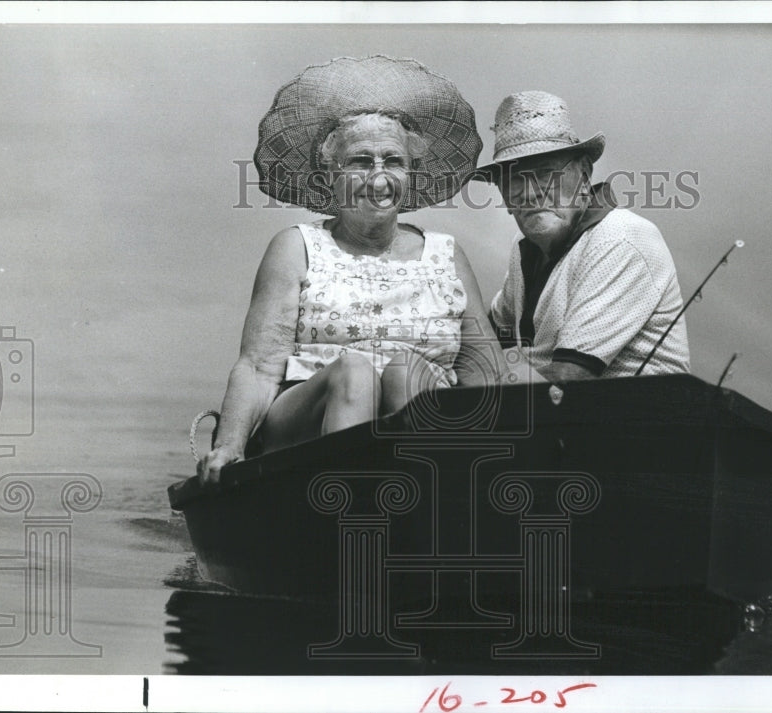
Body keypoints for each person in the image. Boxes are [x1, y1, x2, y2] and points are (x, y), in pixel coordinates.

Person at [199, 56, 505, 485]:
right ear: (329, 176)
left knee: (407, 369)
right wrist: (229, 447)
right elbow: (259, 367)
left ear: (411, 174)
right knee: (355, 373)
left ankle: (423, 496)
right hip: (307, 424)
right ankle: (342, 501)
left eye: (393, 161)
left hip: (420, 426)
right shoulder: (297, 248)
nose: (378, 178)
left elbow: (485, 375)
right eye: (360, 161)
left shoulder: (446, 255)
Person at [476, 91, 691, 384]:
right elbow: (489, 336)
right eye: (513, 179)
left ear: (584, 174)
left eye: (546, 173)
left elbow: (570, 378)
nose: (530, 192)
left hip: (637, 413)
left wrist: (479, 382)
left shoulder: (620, 238)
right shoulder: (524, 248)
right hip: (555, 410)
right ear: (504, 196)